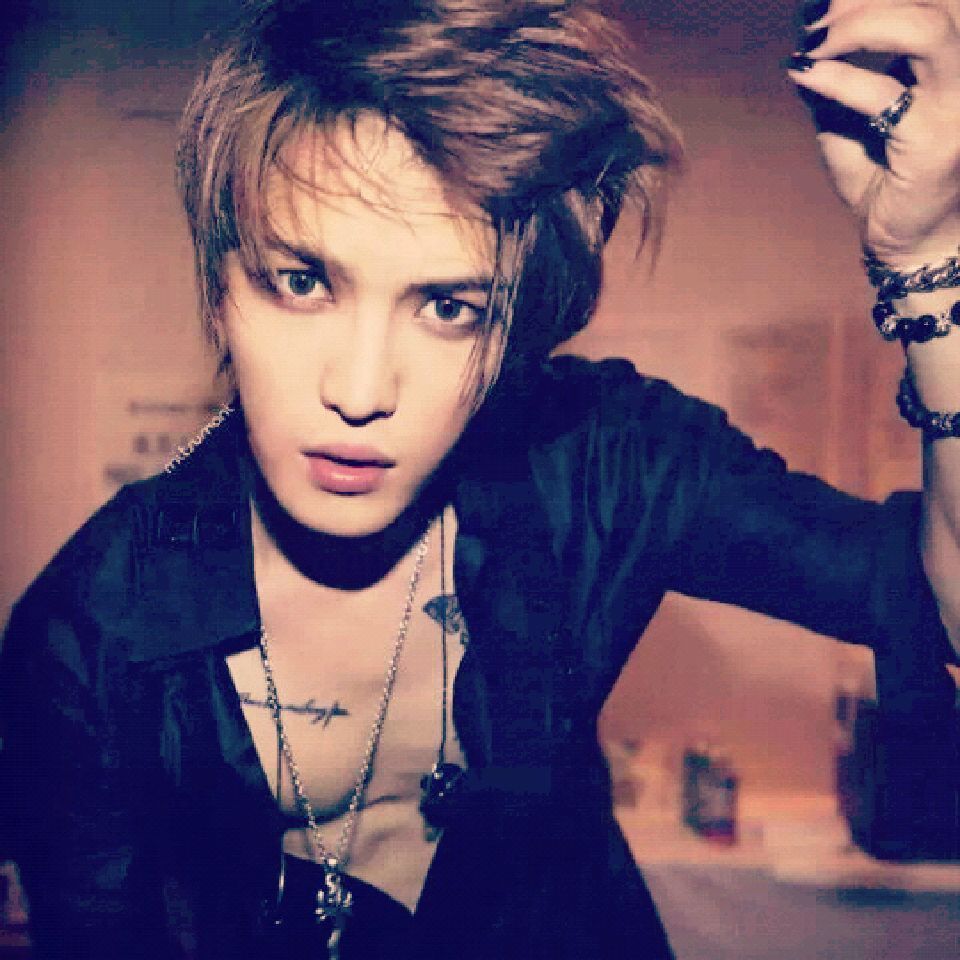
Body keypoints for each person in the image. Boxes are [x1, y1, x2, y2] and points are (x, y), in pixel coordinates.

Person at [1, 0, 959, 957]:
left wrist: (929, 259)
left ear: (516, 329)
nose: (360, 392)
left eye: (449, 307)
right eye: (302, 281)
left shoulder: (600, 464)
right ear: (219, 285)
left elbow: (934, 598)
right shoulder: (92, 632)